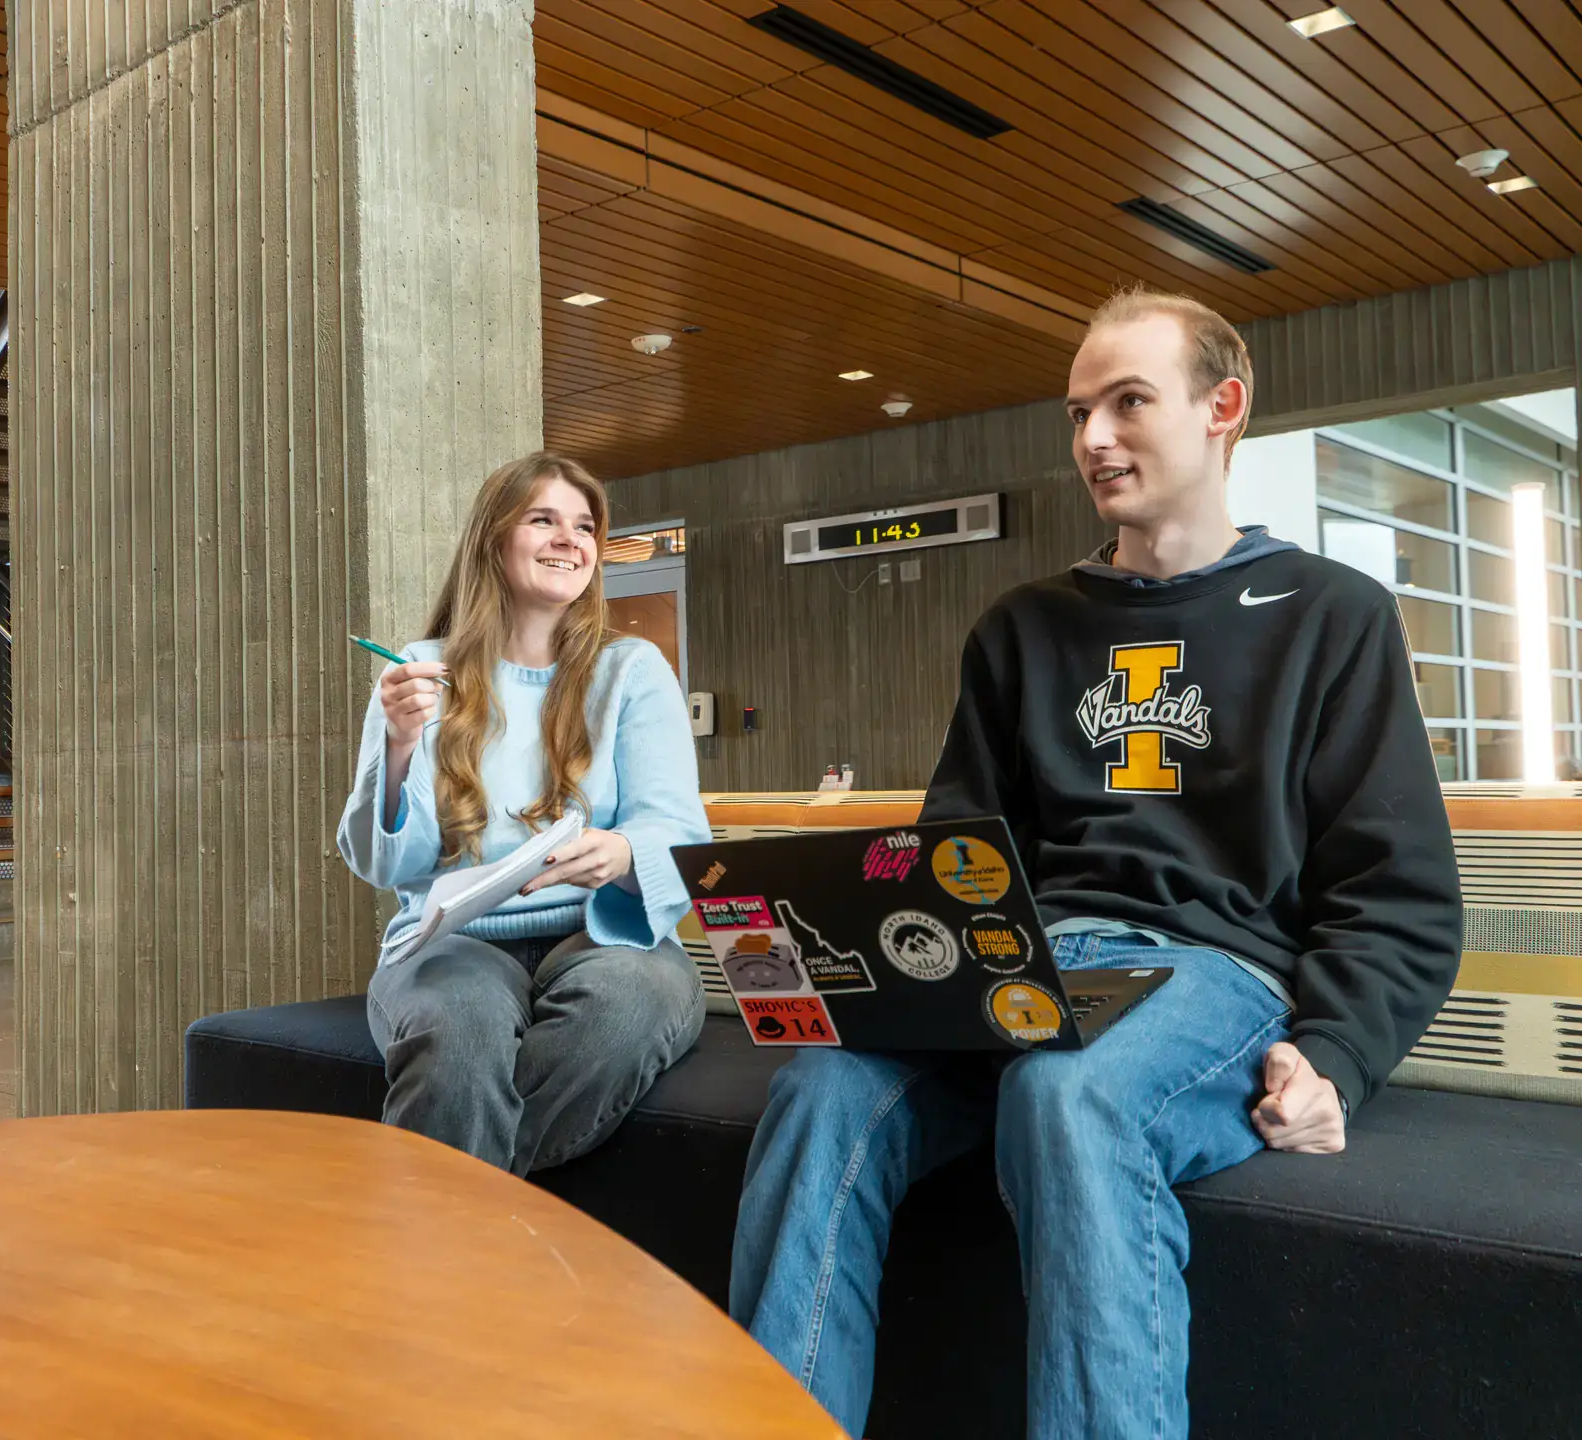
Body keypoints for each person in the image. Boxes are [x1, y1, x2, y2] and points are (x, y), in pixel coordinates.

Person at [728, 288, 1464, 1439]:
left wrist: (1336, 1057)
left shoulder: (1334, 615)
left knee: (1072, 1093)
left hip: (1210, 975)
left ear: (1224, 408)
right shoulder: (1021, 629)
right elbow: (960, 854)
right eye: (1078, 413)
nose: (1093, 440)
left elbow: (1395, 890)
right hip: (1025, 970)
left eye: (1127, 403)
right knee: (821, 1091)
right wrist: (882, 959)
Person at [337, 451, 711, 1175]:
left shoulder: (632, 671)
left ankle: (452, 1223)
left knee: (625, 1012)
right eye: (543, 519)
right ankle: (482, 1242)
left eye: (583, 525)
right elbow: (385, 864)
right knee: (458, 1034)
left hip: (600, 931)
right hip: (454, 942)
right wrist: (401, 744)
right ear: (493, 539)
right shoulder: (419, 671)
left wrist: (623, 854)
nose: (570, 538)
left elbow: (677, 832)